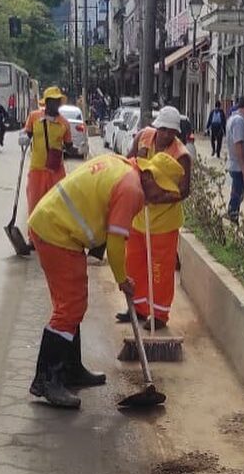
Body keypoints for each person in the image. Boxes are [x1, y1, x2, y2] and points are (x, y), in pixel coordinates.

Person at [27, 152, 184, 408]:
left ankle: (70, 369)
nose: (160, 198)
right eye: (161, 190)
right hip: (55, 231)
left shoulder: (124, 167)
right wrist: (123, 280)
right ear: (150, 177)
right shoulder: (132, 190)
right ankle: (46, 380)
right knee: (69, 307)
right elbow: (115, 243)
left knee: (72, 305)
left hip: (57, 227)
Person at [117, 106, 192, 328]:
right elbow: (128, 162)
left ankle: (158, 315)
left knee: (160, 271)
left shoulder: (181, 155)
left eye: (173, 131)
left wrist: (157, 198)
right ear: (157, 127)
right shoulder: (143, 137)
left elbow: (184, 190)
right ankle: (138, 309)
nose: (168, 135)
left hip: (164, 224)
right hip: (139, 218)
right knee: (134, 265)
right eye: (165, 130)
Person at [20, 87, 72, 219]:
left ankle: (53, 236)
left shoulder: (64, 123)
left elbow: (69, 144)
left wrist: (71, 149)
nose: (56, 104)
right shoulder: (34, 117)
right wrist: (24, 138)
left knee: (56, 206)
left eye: (58, 101)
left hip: (56, 170)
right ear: (47, 102)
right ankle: (33, 238)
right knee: (34, 205)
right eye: (53, 101)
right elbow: (28, 133)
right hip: (37, 169)